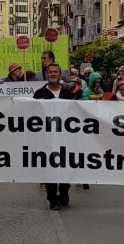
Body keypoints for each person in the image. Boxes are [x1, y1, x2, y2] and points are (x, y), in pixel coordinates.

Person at [33, 63, 72, 210]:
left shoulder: (68, 93)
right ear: (47, 75)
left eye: (56, 72)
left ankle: (63, 190)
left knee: (65, 167)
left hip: (65, 138)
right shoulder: (39, 94)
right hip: (47, 139)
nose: (54, 74)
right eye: (51, 72)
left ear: (60, 75)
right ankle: (53, 199)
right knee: (50, 169)